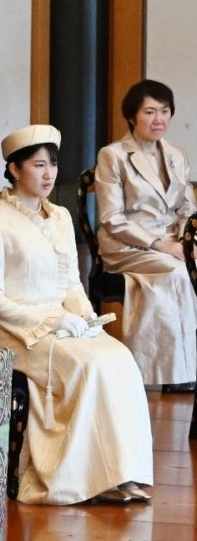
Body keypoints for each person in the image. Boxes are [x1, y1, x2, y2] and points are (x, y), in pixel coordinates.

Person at [0, 125, 153, 505]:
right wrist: (51, 321)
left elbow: (70, 282)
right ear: (15, 169)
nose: (49, 174)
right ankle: (83, 478)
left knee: (118, 357)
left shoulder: (60, 217)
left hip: (61, 323)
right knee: (86, 367)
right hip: (9, 330)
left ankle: (123, 473)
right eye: (38, 165)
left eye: (52, 164)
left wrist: (87, 319)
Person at [95, 79, 197, 390]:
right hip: (128, 244)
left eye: (165, 112)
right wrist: (160, 244)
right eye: (150, 112)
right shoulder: (113, 155)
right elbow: (112, 218)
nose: (159, 120)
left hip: (172, 239)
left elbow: (187, 209)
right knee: (177, 272)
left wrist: (186, 241)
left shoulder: (176, 154)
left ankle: (188, 360)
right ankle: (167, 373)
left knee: (189, 262)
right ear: (131, 116)